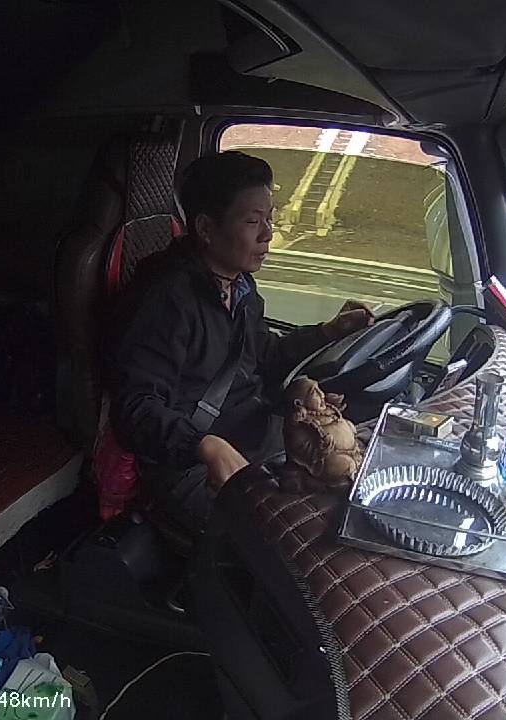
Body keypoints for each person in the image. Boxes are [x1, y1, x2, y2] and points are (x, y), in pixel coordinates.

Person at [106, 151, 374, 534]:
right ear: (206, 228)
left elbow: (263, 355)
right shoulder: (166, 300)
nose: (267, 234)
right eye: (252, 221)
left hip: (253, 430)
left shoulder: (240, 286)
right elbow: (136, 409)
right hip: (190, 465)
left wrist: (328, 332)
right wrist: (205, 446)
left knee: (360, 473)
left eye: (270, 219)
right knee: (311, 534)